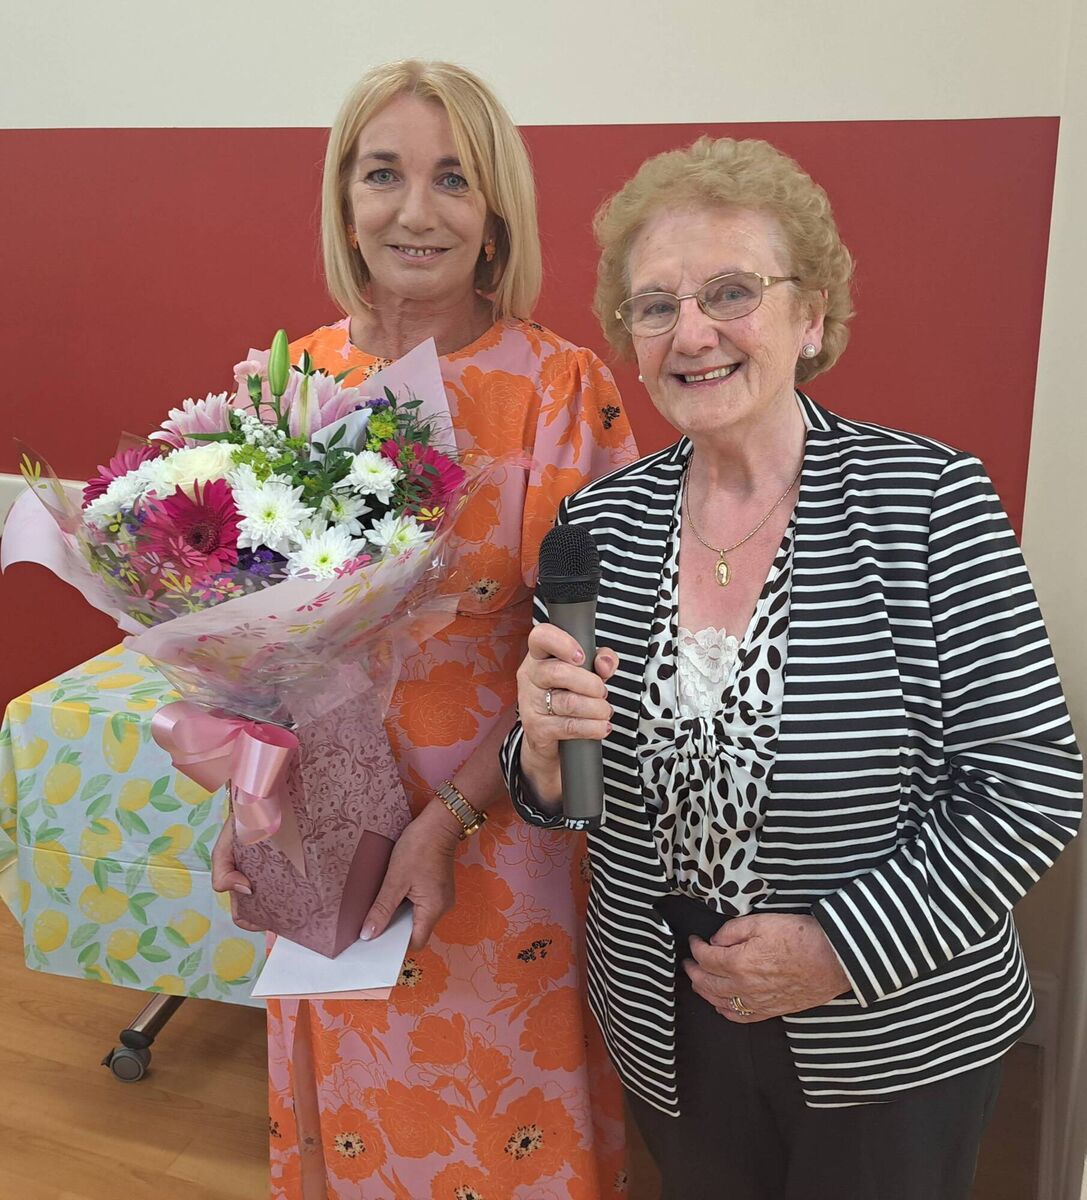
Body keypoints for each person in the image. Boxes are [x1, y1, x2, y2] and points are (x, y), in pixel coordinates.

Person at [501, 135, 1083, 1200]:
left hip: (891, 1025)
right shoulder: (600, 522)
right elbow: (563, 796)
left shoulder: (928, 502)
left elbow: (1031, 786)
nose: (694, 332)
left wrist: (835, 950)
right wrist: (538, 756)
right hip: (667, 1013)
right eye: (656, 304)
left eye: (731, 291)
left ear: (808, 316)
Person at [211, 60, 638, 1198]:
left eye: (454, 179)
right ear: (344, 197)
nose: (415, 210)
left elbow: (596, 665)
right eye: (384, 173)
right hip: (326, 837)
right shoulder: (286, 386)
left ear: (496, 208)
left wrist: (449, 819)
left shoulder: (561, 389)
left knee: (506, 1129)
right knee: (353, 1122)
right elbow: (247, 645)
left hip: (506, 842)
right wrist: (246, 803)